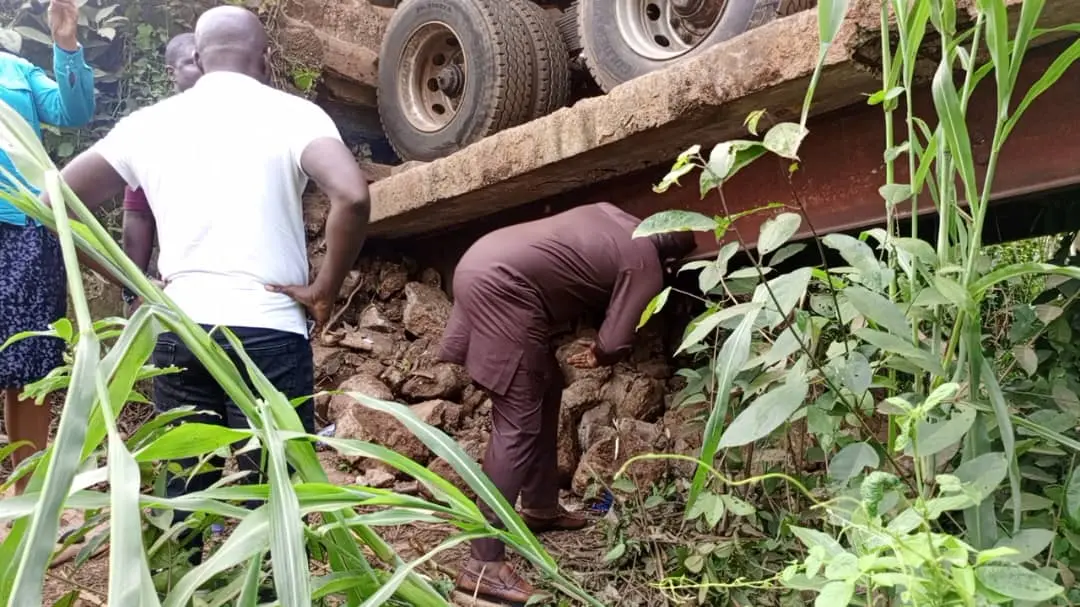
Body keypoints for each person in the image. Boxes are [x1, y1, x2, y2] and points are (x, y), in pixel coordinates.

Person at [56, 5, 369, 562]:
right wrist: (323, 290)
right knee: (272, 491)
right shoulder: (296, 115)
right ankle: (268, 592)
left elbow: (58, 198)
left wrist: (134, 281)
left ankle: (184, 584)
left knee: (184, 485)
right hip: (269, 329)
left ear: (197, 59)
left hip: (181, 325)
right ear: (265, 58)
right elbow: (352, 195)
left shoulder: (149, 123)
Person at [439, 202, 696, 604]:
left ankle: (540, 507)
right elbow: (615, 339)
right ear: (671, 253)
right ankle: (482, 566)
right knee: (517, 423)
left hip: (480, 262)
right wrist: (600, 353)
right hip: (503, 286)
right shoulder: (645, 256)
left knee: (547, 387)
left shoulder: (609, 212)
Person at [0, 0, 95, 496]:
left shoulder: (14, 68)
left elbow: (74, 112)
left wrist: (66, 43)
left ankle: (28, 499)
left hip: (23, 226)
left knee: (30, 362)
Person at [121, 32, 200, 314]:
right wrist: (135, 288)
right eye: (194, 61)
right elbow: (138, 214)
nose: (204, 69)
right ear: (171, 72)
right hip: (178, 293)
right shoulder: (151, 129)